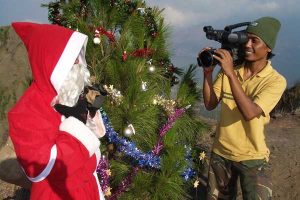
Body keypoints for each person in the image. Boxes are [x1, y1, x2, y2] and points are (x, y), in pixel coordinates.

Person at [8, 22, 106, 199]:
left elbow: (90, 158)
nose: (79, 63)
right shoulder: (27, 110)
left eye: (79, 57)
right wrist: (78, 126)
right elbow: (40, 169)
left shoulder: (69, 96)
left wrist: (89, 115)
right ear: (51, 62)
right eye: (71, 59)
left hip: (88, 191)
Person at [201, 17, 286, 199]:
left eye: (255, 41)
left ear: (268, 47)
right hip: (221, 153)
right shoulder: (231, 71)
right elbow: (209, 104)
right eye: (246, 39)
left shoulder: (275, 81)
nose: (247, 45)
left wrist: (230, 73)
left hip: (253, 157)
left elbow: (250, 112)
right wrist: (208, 74)